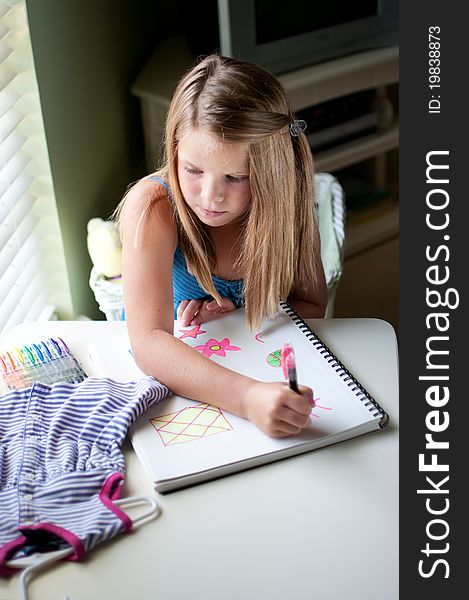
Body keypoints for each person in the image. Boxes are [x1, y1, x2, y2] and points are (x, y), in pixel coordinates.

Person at [115, 54, 327, 438]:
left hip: (256, 369)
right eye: (193, 170)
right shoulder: (153, 209)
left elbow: (312, 304)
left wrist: (243, 316)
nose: (210, 196)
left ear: (269, 172)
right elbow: (147, 341)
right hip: (174, 395)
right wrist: (248, 398)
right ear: (175, 147)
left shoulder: (289, 209)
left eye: (234, 176)